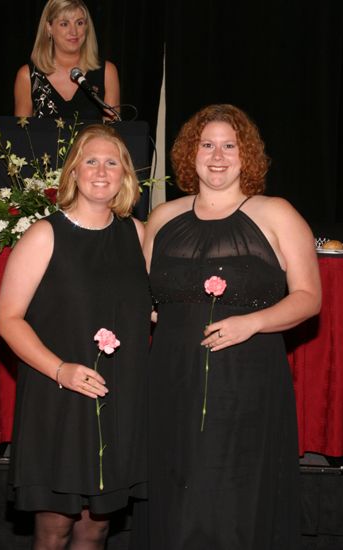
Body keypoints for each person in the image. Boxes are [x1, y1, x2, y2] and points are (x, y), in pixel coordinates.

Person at [143, 104, 321, 549]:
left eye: (229, 145)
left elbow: (308, 299)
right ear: (190, 153)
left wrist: (253, 323)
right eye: (207, 145)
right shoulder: (162, 218)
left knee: (234, 497)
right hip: (171, 378)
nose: (217, 156)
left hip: (247, 382)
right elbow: (142, 298)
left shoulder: (276, 213)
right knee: (175, 492)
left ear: (248, 156)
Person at [0, 124, 151, 549]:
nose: (102, 171)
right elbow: (7, 319)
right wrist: (60, 370)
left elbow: (151, 306)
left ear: (125, 176)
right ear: (74, 172)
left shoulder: (137, 236)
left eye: (112, 162)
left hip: (117, 397)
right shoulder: (44, 235)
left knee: (96, 528)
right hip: (58, 398)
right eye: (91, 161)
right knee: (55, 528)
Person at [14, 0, 120, 120]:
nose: (74, 32)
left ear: (86, 27)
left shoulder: (107, 72)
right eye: (64, 24)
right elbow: (22, 135)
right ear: (49, 28)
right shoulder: (27, 76)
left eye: (79, 23)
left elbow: (112, 134)